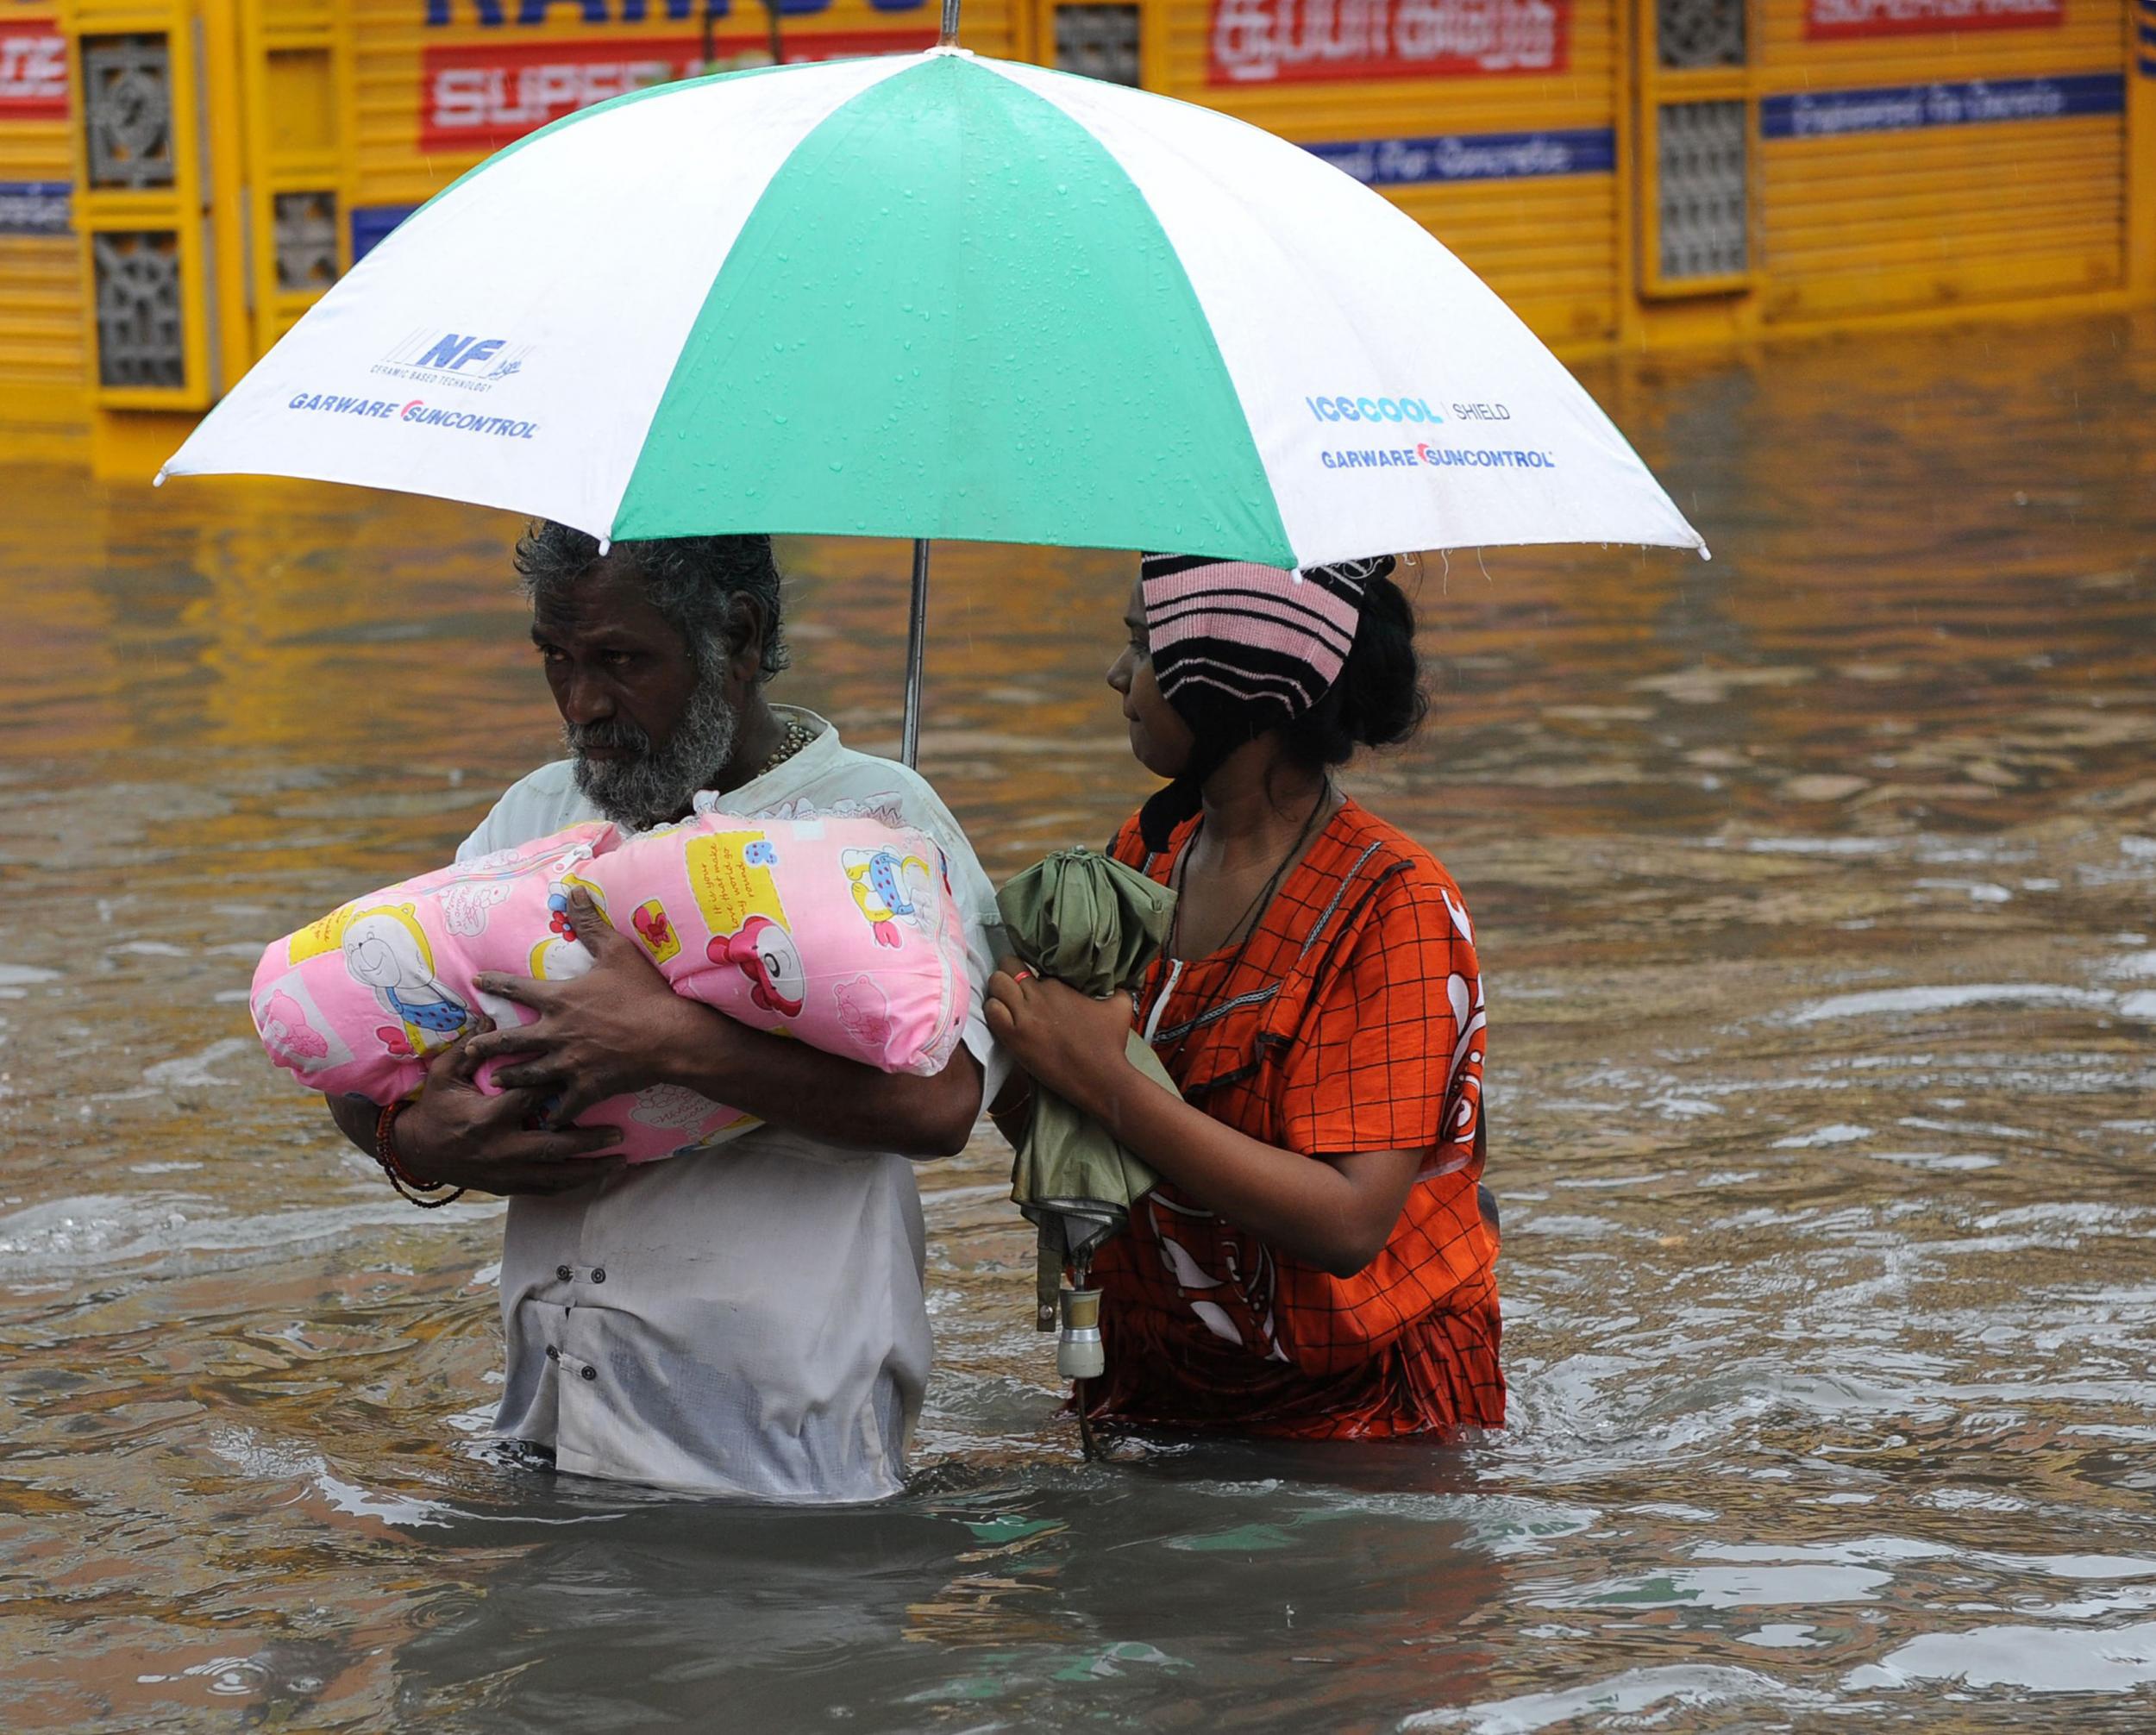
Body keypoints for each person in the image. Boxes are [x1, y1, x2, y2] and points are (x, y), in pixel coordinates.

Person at [325, 524, 1004, 1502]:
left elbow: (943, 1108)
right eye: (554, 658)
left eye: (620, 660)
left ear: (737, 635)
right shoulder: (536, 816)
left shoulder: (878, 822)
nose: (582, 703)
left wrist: (674, 1043)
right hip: (546, 1422)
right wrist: (413, 1139)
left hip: (785, 1450)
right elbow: (368, 1050)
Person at [983, 553, 1502, 1439]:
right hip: (1155, 1381)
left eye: (1142, 649)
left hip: (1367, 1425)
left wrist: (1105, 1079)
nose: (1118, 677)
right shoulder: (1141, 858)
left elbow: (1348, 1219)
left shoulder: (1397, 900)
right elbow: (1071, 1119)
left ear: (1230, 683)